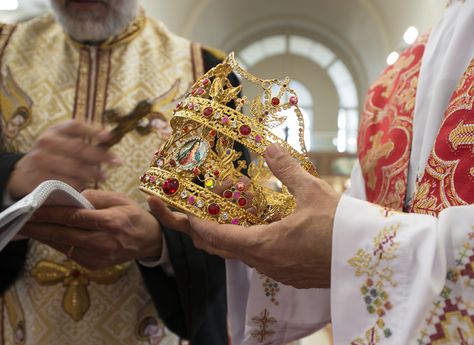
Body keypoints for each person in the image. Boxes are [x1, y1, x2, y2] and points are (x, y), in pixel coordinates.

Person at [148, 0, 474, 344]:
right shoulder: (399, 76)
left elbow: (352, 236)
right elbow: (358, 222)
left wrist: (348, 245)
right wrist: (271, 231)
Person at [0, 0, 234, 344]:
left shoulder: (207, 73)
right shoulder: (4, 52)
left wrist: (160, 242)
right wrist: (10, 179)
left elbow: (232, 219)